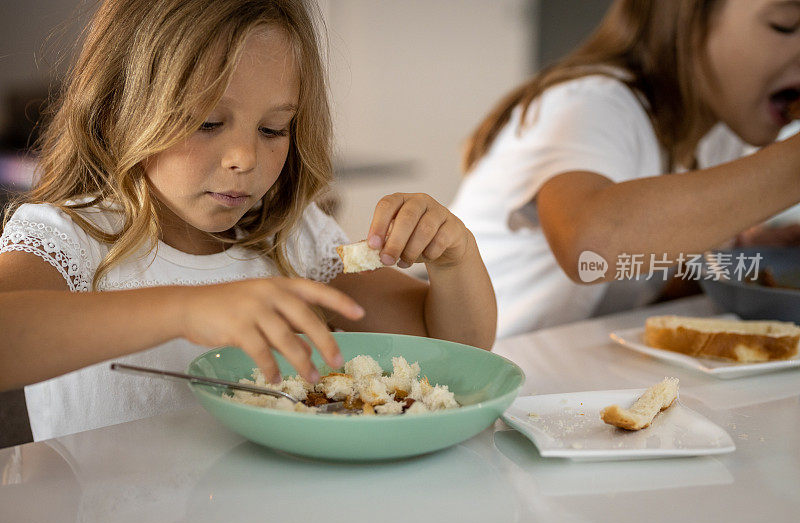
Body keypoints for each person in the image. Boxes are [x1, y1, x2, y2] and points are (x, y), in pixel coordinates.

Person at [0, 0, 496, 441]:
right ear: (118, 111)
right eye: (207, 123)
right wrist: (185, 310)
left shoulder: (289, 239)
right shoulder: (71, 238)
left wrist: (456, 258)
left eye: (272, 129)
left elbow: (453, 347)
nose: (243, 157)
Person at [450, 0, 800, 339]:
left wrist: (738, 250)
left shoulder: (719, 135)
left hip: (575, 370)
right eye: (785, 24)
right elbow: (590, 249)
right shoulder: (592, 102)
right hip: (482, 367)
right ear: (687, 17)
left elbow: (638, 283)